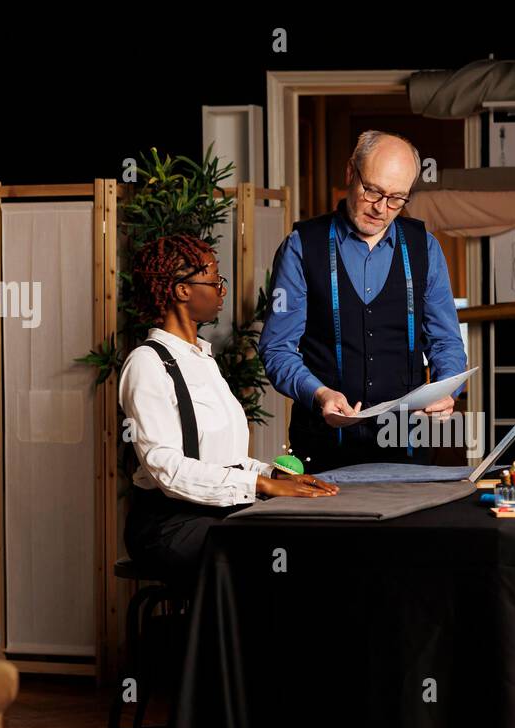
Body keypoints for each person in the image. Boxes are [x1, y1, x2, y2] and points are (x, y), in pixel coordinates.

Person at [119, 235, 336, 588]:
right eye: (214, 279)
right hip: (168, 525)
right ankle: (229, 644)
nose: (222, 290)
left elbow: (223, 459)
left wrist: (274, 476)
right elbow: (165, 468)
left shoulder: (202, 359)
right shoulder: (146, 364)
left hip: (214, 514)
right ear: (181, 291)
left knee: (305, 539)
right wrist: (260, 484)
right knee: (273, 557)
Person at [258, 130, 468, 474]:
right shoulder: (301, 246)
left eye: (397, 199)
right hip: (321, 447)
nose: (381, 208)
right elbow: (277, 348)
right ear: (349, 174)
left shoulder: (424, 248)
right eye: (372, 191)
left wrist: (447, 390)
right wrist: (320, 394)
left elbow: (446, 341)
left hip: (405, 445)